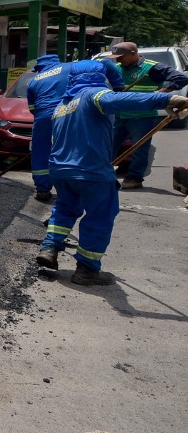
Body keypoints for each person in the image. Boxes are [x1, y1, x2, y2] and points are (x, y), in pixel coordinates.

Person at [36, 61, 188, 285]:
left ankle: (49, 247)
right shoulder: (93, 95)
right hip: (91, 171)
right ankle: (87, 270)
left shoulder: (63, 105)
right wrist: (166, 98)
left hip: (61, 170)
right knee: (100, 216)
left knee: (65, 208)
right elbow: (120, 100)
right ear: (98, 76)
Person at [26, 55, 125, 201]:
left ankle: (42, 189)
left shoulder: (34, 80)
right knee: (80, 147)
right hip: (73, 110)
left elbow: (33, 109)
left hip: (44, 116)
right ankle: (83, 184)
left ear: (39, 68)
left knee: (41, 151)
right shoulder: (73, 66)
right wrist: (118, 86)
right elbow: (105, 63)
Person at [109, 42, 188, 189]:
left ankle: (134, 178)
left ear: (133, 54)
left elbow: (181, 78)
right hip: (119, 115)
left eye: (121, 57)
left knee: (139, 149)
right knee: (108, 146)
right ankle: (105, 176)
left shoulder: (152, 68)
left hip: (142, 116)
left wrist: (160, 94)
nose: (118, 60)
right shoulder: (117, 68)